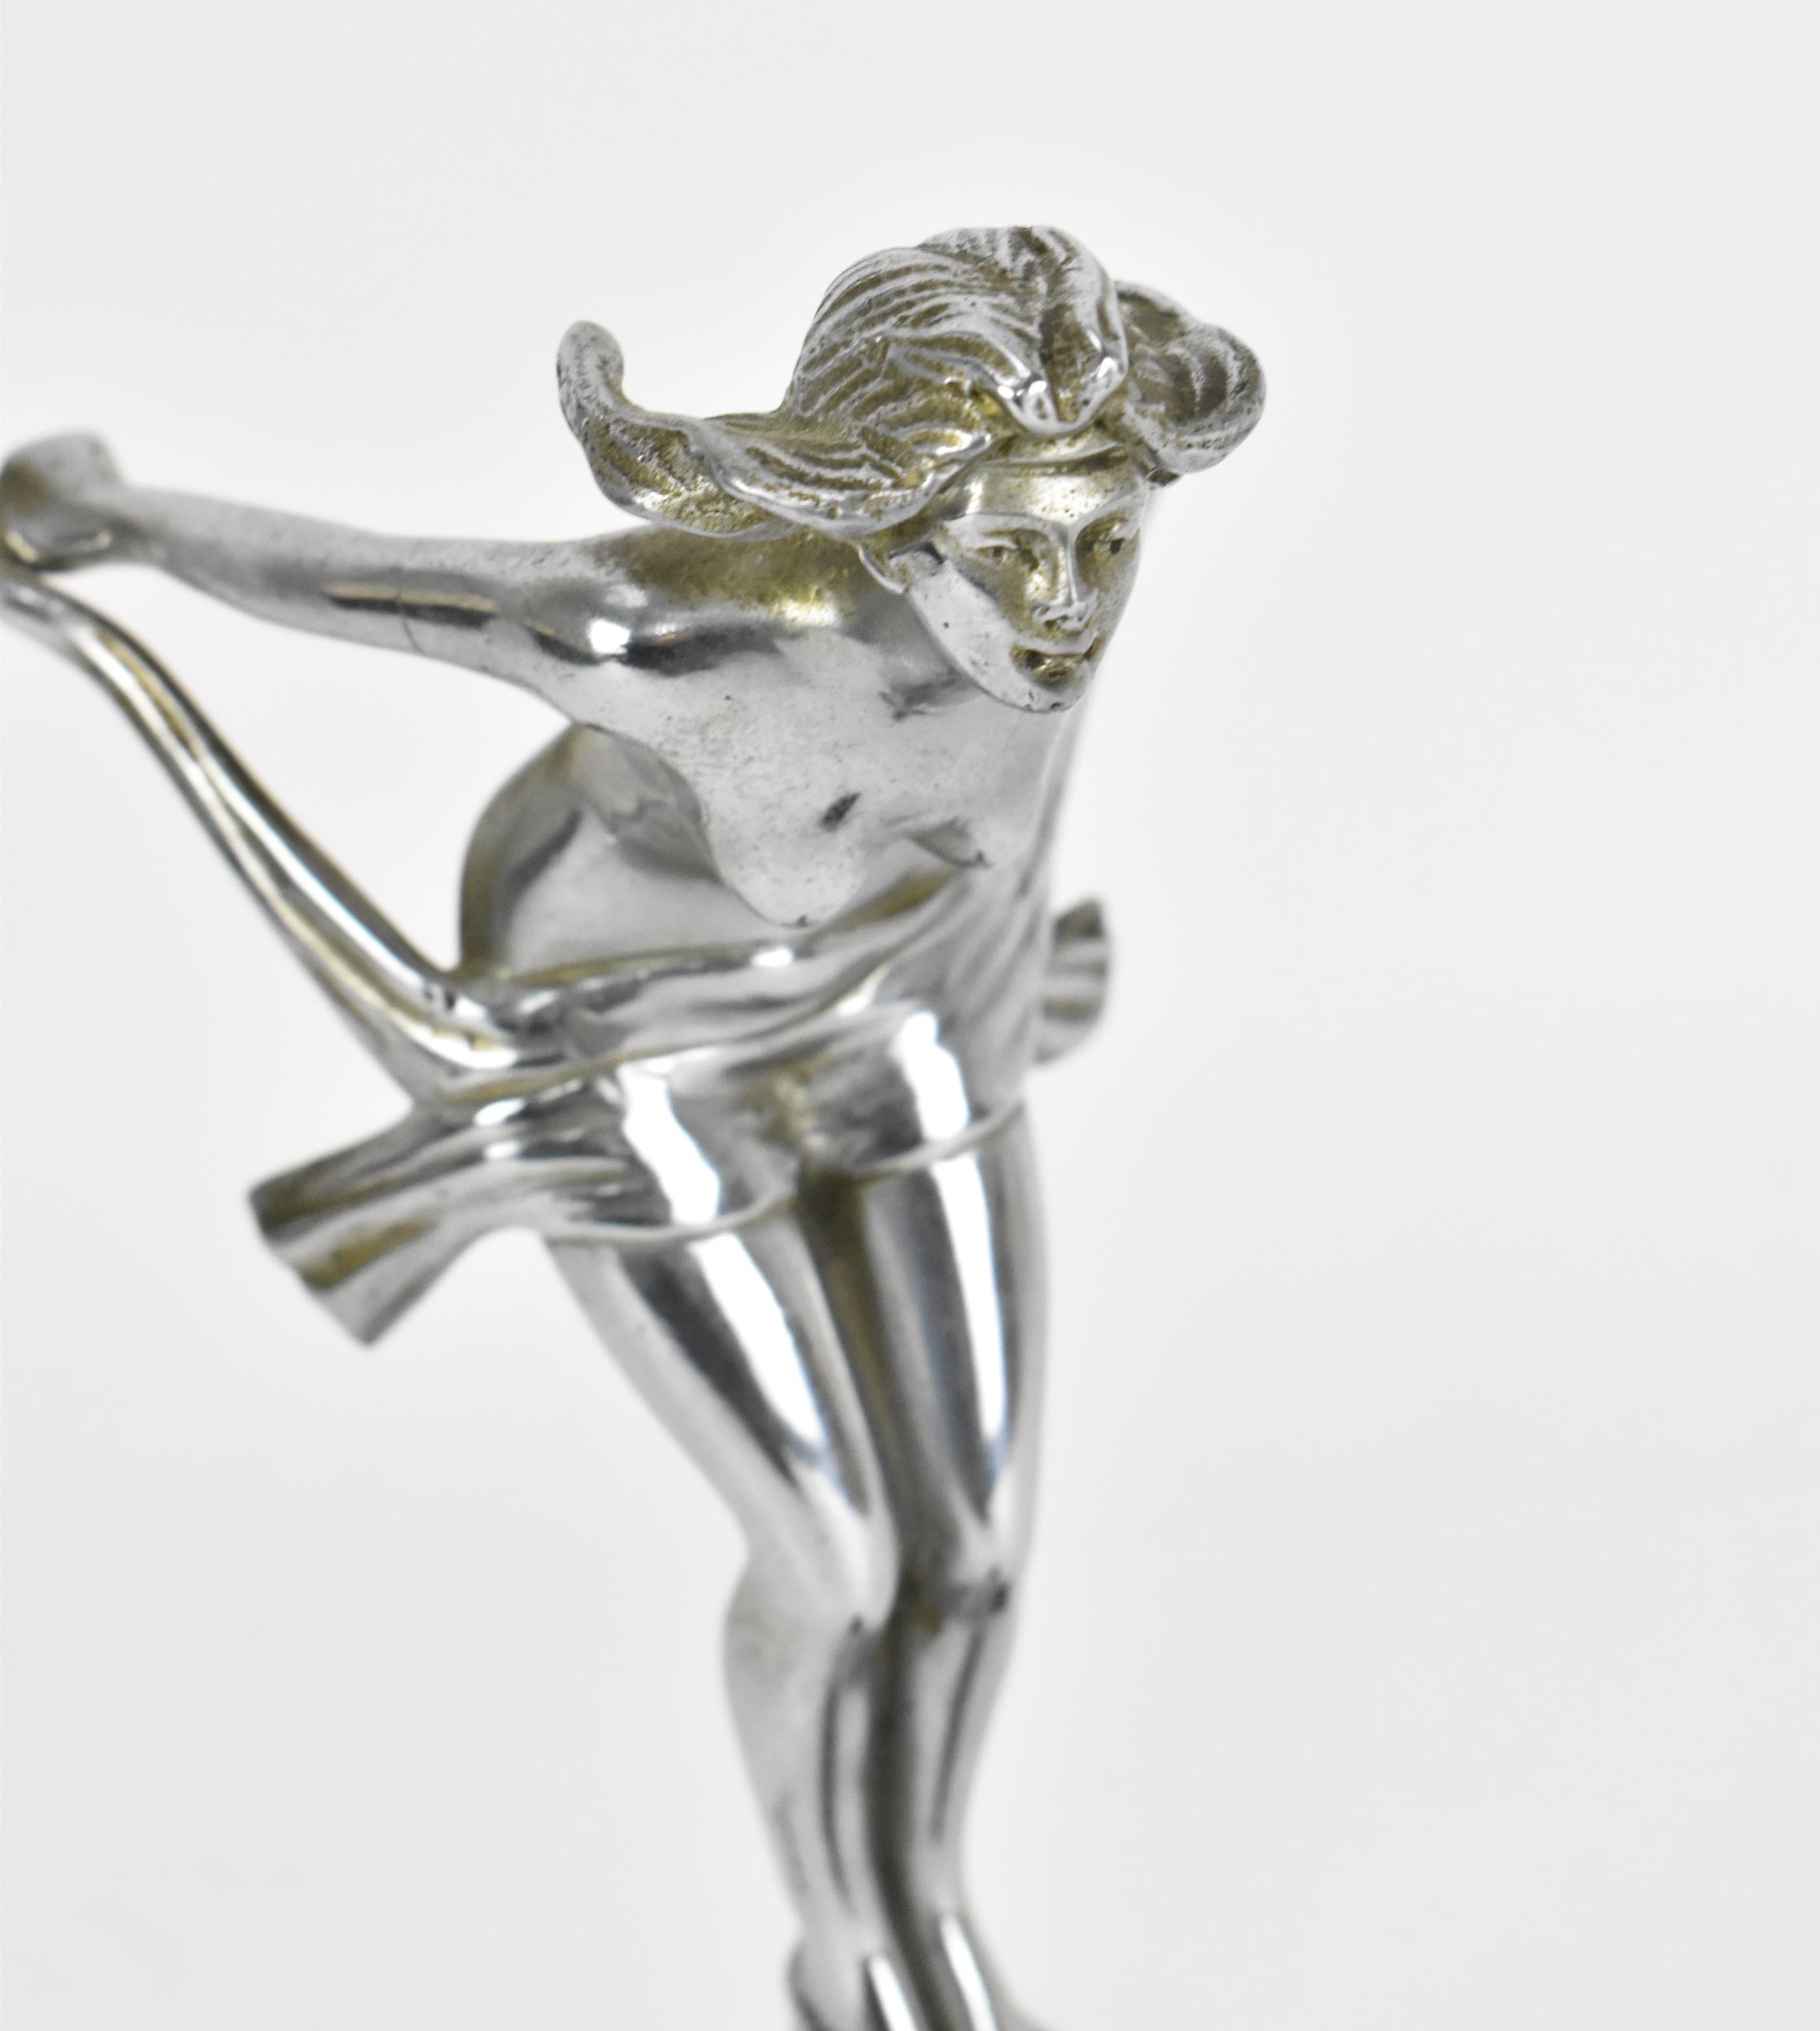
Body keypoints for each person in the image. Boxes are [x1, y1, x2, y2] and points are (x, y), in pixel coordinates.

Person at [1, 225, 1262, 2031]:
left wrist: (1008, 984)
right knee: (841, 1565)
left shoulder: (1065, 598)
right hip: (627, 1054)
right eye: (1011, 553)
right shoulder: (667, 630)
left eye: (1107, 544)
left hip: (910, 1009)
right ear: (896, 534)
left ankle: (918, 1905)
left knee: (971, 1561)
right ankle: (850, 1944)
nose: (1066, 604)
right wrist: (109, 519)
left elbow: (1022, 805)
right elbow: (348, 581)